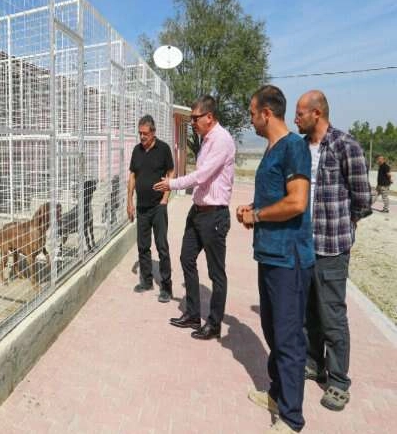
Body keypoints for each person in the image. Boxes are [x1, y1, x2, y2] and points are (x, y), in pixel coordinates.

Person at [240, 85, 314, 434]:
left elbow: (297, 202)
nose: (250, 120)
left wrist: (257, 215)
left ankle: (291, 419)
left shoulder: (294, 147)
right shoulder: (272, 148)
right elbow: (274, 199)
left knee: (288, 338)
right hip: (269, 255)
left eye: (252, 114)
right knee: (272, 331)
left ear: (266, 113)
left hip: (289, 259)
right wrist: (253, 209)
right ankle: (276, 394)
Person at [294, 90, 371, 412]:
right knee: (308, 311)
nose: (295, 119)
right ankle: (314, 364)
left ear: (317, 113)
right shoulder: (300, 147)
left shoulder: (345, 145)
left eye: (300, 113)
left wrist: (344, 226)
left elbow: (362, 199)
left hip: (332, 248)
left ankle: (339, 381)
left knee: (332, 315)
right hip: (304, 245)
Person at [153, 95, 235, 339]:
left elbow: (202, 176)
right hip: (198, 212)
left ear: (209, 117)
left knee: (216, 273)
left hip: (214, 215)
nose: (192, 123)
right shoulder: (205, 140)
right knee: (186, 258)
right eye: (191, 119)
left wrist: (172, 183)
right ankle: (192, 313)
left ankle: (214, 323)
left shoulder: (221, 140)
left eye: (195, 118)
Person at [127, 115, 175, 303]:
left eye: (145, 133)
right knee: (143, 245)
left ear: (153, 132)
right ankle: (146, 281)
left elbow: (170, 172)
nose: (142, 137)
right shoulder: (137, 150)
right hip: (142, 207)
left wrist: (165, 198)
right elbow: (133, 175)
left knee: (162, 246)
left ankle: (166, 287)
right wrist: (129, 201)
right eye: (139, 133)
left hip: (158, 207)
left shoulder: (163, 149)